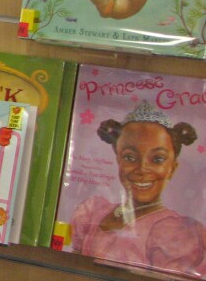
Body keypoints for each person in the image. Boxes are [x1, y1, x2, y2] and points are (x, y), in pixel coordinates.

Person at [71, 100, 206, 278]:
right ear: (118, 160)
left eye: (157, 159)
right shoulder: (93, 211)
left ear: (172, 167)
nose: (142, 169)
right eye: (129, 157)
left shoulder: (176, 232)